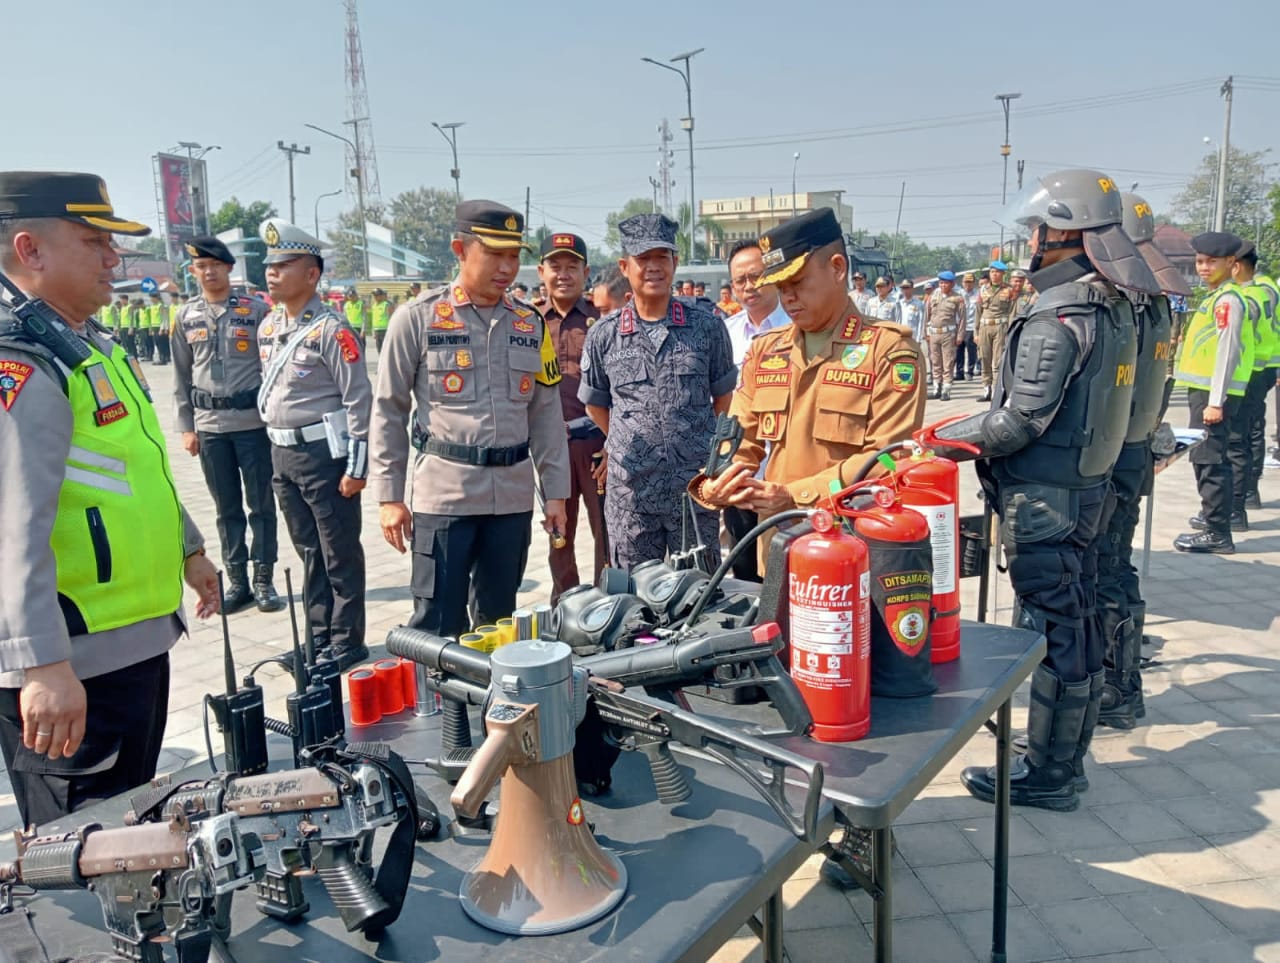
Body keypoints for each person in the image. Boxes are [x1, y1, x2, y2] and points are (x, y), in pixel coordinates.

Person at [925, 169, 1157, 811]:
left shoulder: (1058, 316)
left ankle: (1048, 772)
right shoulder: (1113, 304)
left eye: (1036, 229)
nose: (1030, 241)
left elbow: (1016, 420)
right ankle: (1065, 765)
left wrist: (940, 439)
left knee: (1055, 631)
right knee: (1076, 621)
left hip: (1045, 501)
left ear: (1063, 231)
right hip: (1086, 490)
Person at [0, 171, 220, 826]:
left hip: (130, 644)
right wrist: (41, 664)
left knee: (132, 832)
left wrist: (189, 550)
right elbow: (13, 528)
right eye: (94, 241)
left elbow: (130, 462)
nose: (113, 258)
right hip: (74, 665)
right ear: (30, 250)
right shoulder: (22, 359)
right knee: (90, 852)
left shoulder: (84, 341)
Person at [369, 200, 569, 638]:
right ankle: (443, 708)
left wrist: (555, 494)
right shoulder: (417, 318)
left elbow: (546, 415)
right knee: (437, 623)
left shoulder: (529, 323)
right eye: (494, 254)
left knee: (499, 626)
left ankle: (491, 705)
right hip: (446, 497)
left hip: (511, 500)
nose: (506, 267)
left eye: (513, 256)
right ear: (460, 249)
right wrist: (389, 497)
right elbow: (388, 409)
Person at [692, 208, 926, 573]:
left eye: (797, 282)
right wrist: (717, 481)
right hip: (780, 549)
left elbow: (888, 458)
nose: (788, 298)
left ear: (836, 268)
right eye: (781, 287)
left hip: (853, 550)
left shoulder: (889, 352)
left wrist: (795, 497)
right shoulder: (767, 351)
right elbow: (740, 438)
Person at [580, 213, 736, 570]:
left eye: (661, 257)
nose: (653, 267)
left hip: (693, 490)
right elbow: (596, 406)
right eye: (643, 258)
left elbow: (723, 397)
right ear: (625, 266)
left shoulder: (707, 327)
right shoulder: (604, 335)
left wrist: (694, 442)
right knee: (634, 598)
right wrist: (627, 439)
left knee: (699, 593)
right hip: (631, 494)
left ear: (675, 262)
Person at [257, 219, 372, 669]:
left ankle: (347, 639)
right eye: (270, 265)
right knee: (309, 552)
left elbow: (358, 399)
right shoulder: (269, 327)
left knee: (338, 550)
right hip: (283, 454)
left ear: (312, 274)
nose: (273, 273)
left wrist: (357, 467)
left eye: (285, 264)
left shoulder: (331, 330)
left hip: (326, 454)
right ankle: (318, 635)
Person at [1094, 193, 1188, 730]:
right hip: (1131, 454)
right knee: (1117, 574)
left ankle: (1114, 689)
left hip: (1109, 462)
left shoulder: (1125, 301)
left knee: (1104, 578)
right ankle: (1121, 685)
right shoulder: (1152, 301)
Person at [172, 236, 283, 614]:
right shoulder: (185, 316)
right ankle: (237, 582)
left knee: (261, 506)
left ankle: (264, 580)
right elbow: (180, 375)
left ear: (228, 268)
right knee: (226, 510)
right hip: (210, 428)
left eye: (215, 265)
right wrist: (187, 426)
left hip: (252, 424)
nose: (209, 272)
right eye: (202, 267)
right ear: (193, 272)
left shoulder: (254, 311)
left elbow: (273, 366)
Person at [537, 232, 607, 601]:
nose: (563, 274)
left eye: (572, 267)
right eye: (555, 266)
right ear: (541, 271)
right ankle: (565, 604)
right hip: (552, 448)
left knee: (606, 532)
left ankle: (605, 605)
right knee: (558, 533)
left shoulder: (602, 321)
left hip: (597, 445)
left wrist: (614, 443)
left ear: (586, 272)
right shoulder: (528, 322)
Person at [1172, 232, 1252, 553]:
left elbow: (1227, 350)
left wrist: (1216, 401)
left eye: (1211, 262)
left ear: (1231, 263)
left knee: (1210, 460)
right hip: (1204, 392)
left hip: (1212, 395)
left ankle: (1218, 531)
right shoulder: (1215, 297)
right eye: (1200, 261)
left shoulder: (1228, 300)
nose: (1203, 267)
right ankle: (1211, 517)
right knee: (1204, 457)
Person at [720, 238, 791, 580]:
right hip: (741, 477)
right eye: (740, 280)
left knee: (785, 575)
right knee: (745, 574)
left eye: (756, 276)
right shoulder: (725, 333)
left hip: (786, 481)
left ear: (775, 275)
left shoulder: (798, 327)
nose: (749, 286)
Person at [1231, 242, 1276, 512]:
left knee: (1240, 437)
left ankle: (1242, 495)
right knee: (1253, 430)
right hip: (1264, 366)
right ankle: (1249, 491)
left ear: (1234, 266)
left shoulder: (1246, 297)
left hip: (1250, 370)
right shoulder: (1268, 289)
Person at [975, 259, 1016, 402]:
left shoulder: (1009, 290)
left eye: (997, 272)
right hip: (985, 327)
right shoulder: (983, 289)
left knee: (998, 360)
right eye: (992, 272)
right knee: (984, 357)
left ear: (1003, 274)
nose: (994, 275)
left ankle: (997, 391)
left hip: (1000, 327)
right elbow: (978, 311)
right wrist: (976, 332)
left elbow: (1012, 312)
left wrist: (1009, 332)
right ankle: (986, 388)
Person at [926, 270, 965, 400]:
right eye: (941, 283)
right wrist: (925, 333)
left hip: (948, 334)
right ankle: (936, 388)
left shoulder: (957, 298)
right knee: (935, 361)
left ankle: (946, 390)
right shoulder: (933, 296)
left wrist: (960, 336)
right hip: (934, 333)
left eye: (946, 283)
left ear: (952, 284)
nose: (943, 285)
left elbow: (962, 318)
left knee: (948, 362)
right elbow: (927, 316)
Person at [954, 271, 979, 380]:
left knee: (971, 351)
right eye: (966, 282)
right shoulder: (957, 295)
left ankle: (970, 371)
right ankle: (959, 372)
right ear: (962, 283)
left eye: (970, 282)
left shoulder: (978, 295)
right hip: (959, 327)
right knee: (958, 351)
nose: (968, 284)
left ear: (974, 283)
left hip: (971, 326)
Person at [148, 291, 170, 364]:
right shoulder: (152, 306)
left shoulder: (160, 306)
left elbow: (163, 318)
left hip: (159, 328)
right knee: (157, 344)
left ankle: (163, 359)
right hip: (154, 327)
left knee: (161, 344)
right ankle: (161, 358)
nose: (151, 299)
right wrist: (151, 328)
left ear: (156, 298)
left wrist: (162, 328)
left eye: (152, 298)